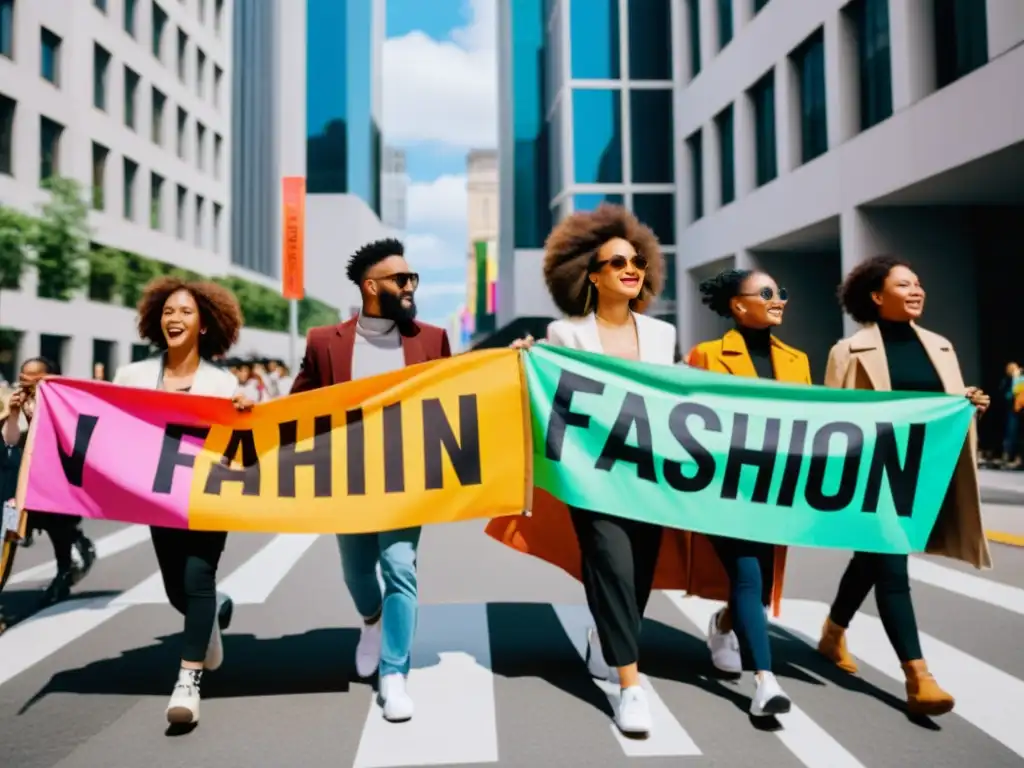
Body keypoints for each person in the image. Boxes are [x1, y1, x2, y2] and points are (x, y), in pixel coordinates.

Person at [509, 204, 677, 736]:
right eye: (618, 262)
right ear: (593, 274)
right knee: (609, 562)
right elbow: (551, 392)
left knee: (640, 574)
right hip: (593, 475)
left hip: (650, 476)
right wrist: (525, 359)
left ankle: (608, 641)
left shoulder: (662, 336)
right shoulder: (566, 334)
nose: (632, 269)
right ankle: (631, 688)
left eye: (638, 262)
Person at [818, 254, 990, 717]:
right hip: (875, 478)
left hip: (926, 476)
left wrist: (967, 402)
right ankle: (920, 678)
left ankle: (833, 632)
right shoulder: (848, 351)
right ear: (877, 297)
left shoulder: (940, 346)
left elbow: (941, 405)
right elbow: (832, 420)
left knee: (871, 563)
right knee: (892, 570)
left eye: (919, 283)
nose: (917, 290)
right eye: (904, 284)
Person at [289, 238, 451, 723]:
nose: (409, 286)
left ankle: (395, 672)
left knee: (400, 566)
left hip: (407, 478)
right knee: (357, 570)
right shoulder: (324, 341)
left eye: (413, 278)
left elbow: (461, 395)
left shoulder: (431, 338)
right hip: (348, 477)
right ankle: (372, 621)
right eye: (400, 279)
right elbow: (296, 406)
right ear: (370, 286)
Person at [113, 276, 254, 727]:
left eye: (186, 312)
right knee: (179, 589)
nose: (175, 318)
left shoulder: (221, 381)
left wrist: (244, 410)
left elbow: (241, 442)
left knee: (197, 576)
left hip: (207, 497)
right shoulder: (131, 376)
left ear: (206, 325)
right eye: (168, 311)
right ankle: (213, 610)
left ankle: (188, 681)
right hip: (157, 499)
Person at [686, 268, 811, 716]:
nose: (778, 299)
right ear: (738, 305)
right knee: (748, 576)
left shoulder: (797, 361)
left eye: (782, 292)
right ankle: (765, 683)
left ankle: (723, 622)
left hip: (776, 489)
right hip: (724, 489)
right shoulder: (706, 354)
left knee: (756, 593)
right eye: (766, 293)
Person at [3, 357, 97, 605]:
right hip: (22, 479)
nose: (29, 385)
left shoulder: (67, 403)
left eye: (37, 379)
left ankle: (66, 569)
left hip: (57, 480)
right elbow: (10, 442)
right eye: (24, 379)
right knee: (8, 527)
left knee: (59, 529)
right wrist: (12, 414)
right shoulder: (14, 399)